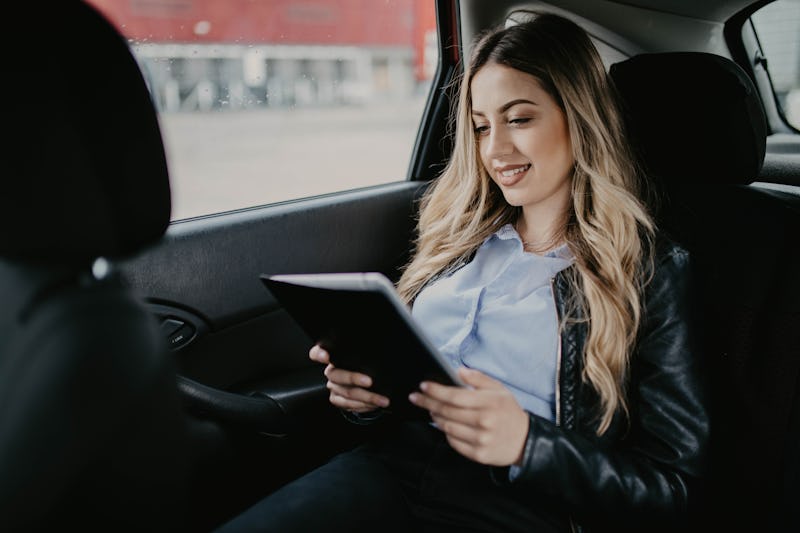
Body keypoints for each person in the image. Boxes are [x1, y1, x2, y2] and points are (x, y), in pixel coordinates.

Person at [216, 12, 708, 533]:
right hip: (388, 469)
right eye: (480, 126)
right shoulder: (458, 239)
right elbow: (413, 388)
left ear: (579, 117)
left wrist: (527, 443)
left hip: (522, 503)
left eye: (519, 119)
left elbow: (673, 488)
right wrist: (367, 400)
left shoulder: (648, 270)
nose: (495, 150)